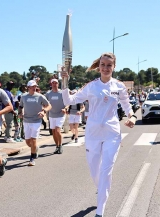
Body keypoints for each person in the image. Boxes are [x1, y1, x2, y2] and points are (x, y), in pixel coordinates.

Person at [61, 52, 136, 217]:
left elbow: (127, 105)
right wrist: (64, 83)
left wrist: (132, 117)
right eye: (103, 65)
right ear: (99, 66)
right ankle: (101, 188)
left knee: (106, 170)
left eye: (109, 65)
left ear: (114, 67)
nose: (106, 68)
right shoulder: (91, 86)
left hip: (112, 134)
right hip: (93, 134)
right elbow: (69, 101)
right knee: (95, 172)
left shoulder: (119, 86)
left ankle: (100, 211)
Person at [18, 80, 52, 166]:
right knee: (28, 142)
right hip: (26, 120)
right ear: (28, 87)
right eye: (32, 86)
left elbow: (49, 105)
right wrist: (20, 113)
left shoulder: (40, 96)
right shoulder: (24, 96)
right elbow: (20, 106)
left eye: (35, 86)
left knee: (33, 140)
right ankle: (35, 148)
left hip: (36, 120)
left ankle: (32, 158)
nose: (34, 88)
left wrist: (43, 111)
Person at [45, 78, 66, 154]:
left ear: (58, 84)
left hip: (60, 114)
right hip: (52, 115)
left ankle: (60, 146)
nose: (54, 84)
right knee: (53, 131)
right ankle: (57, 146)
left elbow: (68, 102)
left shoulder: (62, 93)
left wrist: (65, 108)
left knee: (57, 130)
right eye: (53, 83)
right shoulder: (48, 94)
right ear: (51, 84)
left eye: (56, 83)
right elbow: (45, 103)